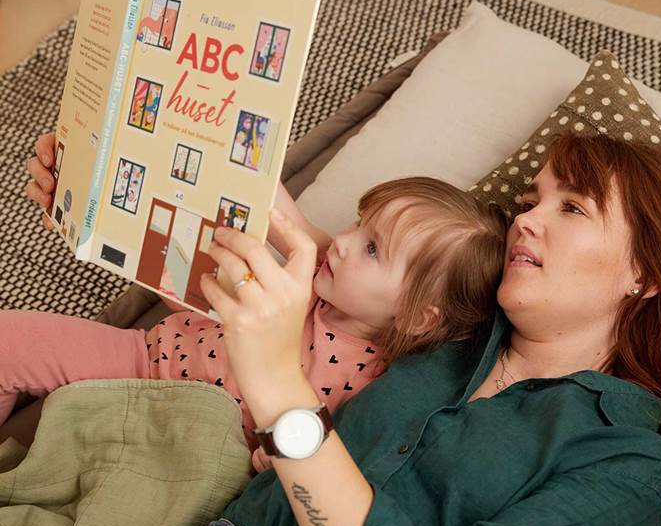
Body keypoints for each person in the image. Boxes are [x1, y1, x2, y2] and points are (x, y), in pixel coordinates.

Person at [24, 131, 661, 526]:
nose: (525, 220)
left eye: (571, 207)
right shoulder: (441, 339)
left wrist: (278, 389)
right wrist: (106, 201)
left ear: (644, 276)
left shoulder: (626, 463)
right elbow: (295, 273)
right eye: (532, 199)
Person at [11, 131, 508, 471]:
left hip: (186, 444)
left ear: (418, 317)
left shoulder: (371, 384)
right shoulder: (316, 271)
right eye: (359, 222)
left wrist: (272, 457)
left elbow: (308, 460)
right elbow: (267, 201)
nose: (344, 239)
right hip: (144, 362)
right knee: (12, 340)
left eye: (373, 249)